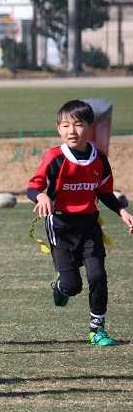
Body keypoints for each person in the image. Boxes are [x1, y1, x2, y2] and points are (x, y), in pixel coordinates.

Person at [27, 99, 133, 346]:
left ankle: (97, 329)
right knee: (72, 287)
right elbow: (33, 187)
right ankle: (61, 285)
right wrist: (41, 196)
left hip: (89, 226)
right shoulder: (54, 157)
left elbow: (104, 192)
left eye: (78, 125)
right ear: (58, 129)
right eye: (65, 125)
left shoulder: (99, 159)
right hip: (60, 226)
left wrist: (122, 211)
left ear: (90, 127)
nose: (71, 131)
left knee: (98, 276)